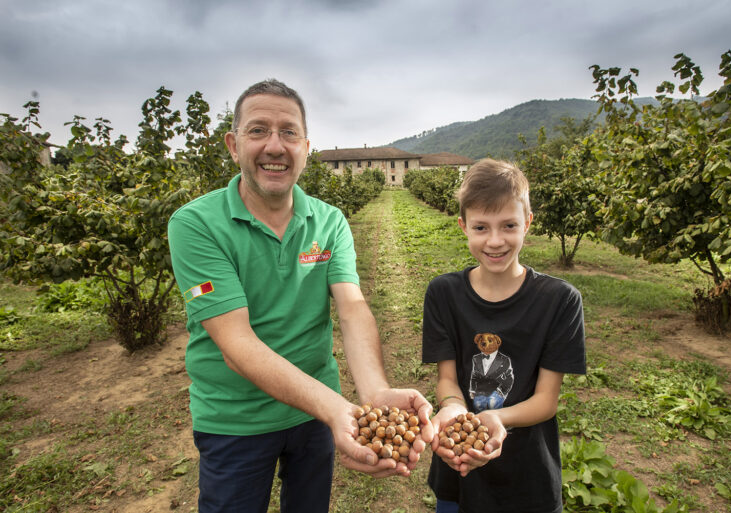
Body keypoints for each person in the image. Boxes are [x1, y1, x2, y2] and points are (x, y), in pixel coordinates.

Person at [167, 78, 434, 513]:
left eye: (289, 132)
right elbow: (235, 345)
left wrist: (374, 392)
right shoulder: (195, 225)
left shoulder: (329, 222)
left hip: (312, 414)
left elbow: (351, 307)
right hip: (235, 421)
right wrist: (337, 409)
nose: (275, 146)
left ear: (306, 147)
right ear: (234, 145)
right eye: (259, 131)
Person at [421, 158, 586, 513]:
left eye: (508, 225)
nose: (495, 241)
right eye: (481, 227)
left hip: (528, 480)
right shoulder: (443, 294)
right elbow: (447, 378)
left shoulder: (559, 301)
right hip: (459, 467)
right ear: (463, 226)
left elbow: (546, 401)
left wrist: (497, 418)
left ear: (527, 222)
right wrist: (452, 407)